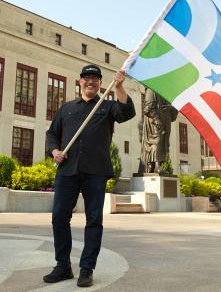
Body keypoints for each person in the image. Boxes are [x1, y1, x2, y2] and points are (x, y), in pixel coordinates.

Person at [44, 64, 136, 288]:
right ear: (80, 82)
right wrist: (55, 151)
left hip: (96, 171)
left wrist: (121, 87)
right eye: (87, 78)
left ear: (100, 83)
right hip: (67, 171)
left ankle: (87, 268)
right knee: (59, 218)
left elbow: (127, 112)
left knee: (94, 220)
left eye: (95, 78)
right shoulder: (66, 109)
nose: (91, 82)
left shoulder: (107, 107)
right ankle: (63, 266)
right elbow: (52, 134)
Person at [138, 87, 178, 174]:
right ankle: (156, 165)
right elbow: (148, 109)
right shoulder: (151, 89)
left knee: (163, 144)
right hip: (154, 123)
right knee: (156, 141)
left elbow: (174, 116)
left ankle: (156, 165)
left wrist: (171, 108)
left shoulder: (168, 94)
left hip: (165, 124)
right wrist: (157, 120)